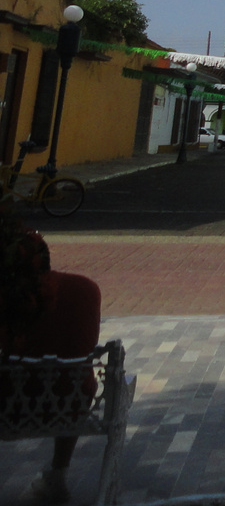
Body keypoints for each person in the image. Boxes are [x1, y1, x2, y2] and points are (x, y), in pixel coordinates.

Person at [0, 205, 102, 504]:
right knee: (75, 379)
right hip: (68, 406)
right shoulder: (84, 289)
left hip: (8, 406)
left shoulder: (7, 297)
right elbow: (84, 346)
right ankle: (58, 475)